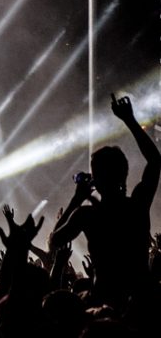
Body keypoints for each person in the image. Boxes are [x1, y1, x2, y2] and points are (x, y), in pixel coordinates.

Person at [49, 93, 161, 311]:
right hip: (143, 300)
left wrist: (76, 200)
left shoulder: (87, 215)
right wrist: (129, 120)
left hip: (105, 299)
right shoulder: (137, 204)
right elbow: (155, 161)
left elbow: (55, 240)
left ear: (97, 179)